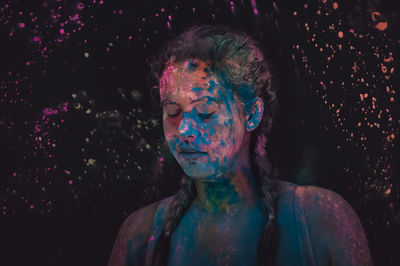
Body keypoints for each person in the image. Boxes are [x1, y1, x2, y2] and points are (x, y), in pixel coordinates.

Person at [108, 25, 373, 266]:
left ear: (252, 114)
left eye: (206, 111)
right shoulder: (139, 235)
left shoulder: (322, 220)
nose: (185, 130)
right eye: (173, 111)